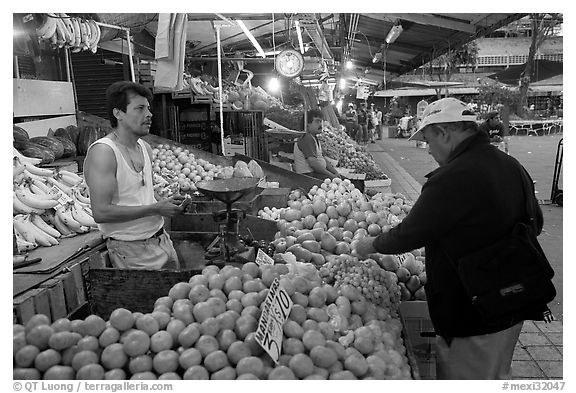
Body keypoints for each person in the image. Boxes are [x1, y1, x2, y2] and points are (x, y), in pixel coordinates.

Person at [355, 97, 543, 379]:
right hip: (514, 300)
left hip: (475, 310)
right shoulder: (511, 165)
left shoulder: (452, 177)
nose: (428, 150)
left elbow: (409, 234)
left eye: (429, 141)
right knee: (497, 373)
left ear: (444, 132)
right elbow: (536, 223)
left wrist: (368, 245)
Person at [84, 81, 189, 270]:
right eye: (140, 108)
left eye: (148, 108)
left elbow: (142, 194)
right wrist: (156, 208)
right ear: (118, 113)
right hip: (130, 251)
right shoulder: (104, 152)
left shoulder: (145, 148)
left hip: (162, 241)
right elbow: (101, 212)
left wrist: (166, 202)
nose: (149, 114)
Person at [293, 109, 340, 180]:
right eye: (317, 121)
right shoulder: (307, 138)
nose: (320, 124)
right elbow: (313, 163)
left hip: (316, 174)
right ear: (307, 124)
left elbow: (322, 158)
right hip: (308, 177)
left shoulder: (313, 137)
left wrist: (335, 172)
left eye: (321, 121)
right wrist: (331, 175)